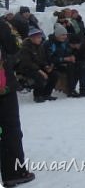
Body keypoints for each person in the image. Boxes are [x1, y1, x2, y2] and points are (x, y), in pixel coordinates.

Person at [0, 18, 36, 187]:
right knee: (10, 128)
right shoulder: (2, 25)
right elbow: (15, 45)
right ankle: (14, 173)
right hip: (2, 87)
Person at [16, 28, 58, 103]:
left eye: (40, 37)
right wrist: (41, 71)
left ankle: (46, 94)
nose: (40, 39)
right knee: (39, 76)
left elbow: (43, 59)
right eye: (38, 37)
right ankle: (38, 96)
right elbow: (27, 63)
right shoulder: (25, 47)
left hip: (38, 67)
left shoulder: (40, 47)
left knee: (54, 74)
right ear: (32, 38)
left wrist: (46, 66)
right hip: (27, 69)